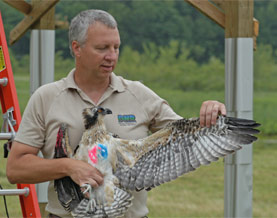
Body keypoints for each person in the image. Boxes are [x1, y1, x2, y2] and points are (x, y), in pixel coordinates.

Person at [6, 9, 226, 218]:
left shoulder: (139, 94)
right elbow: (16, 169)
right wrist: (68, 166)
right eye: (102, 48)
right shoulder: (47, 97)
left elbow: (191, 135)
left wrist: (212, 112)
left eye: (116, 47)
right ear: (76, 48)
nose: (111, 56)